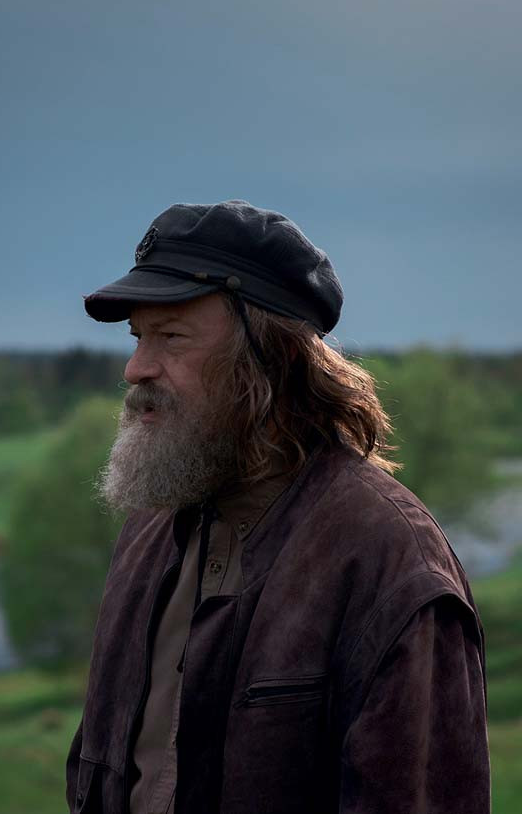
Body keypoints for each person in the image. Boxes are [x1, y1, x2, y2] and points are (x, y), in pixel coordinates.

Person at [66, 200, 490, 814]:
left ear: (274, 358)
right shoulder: (148, 530)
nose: (136, 369)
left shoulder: (389, 561)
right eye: (138, 337)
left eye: (172, 337)